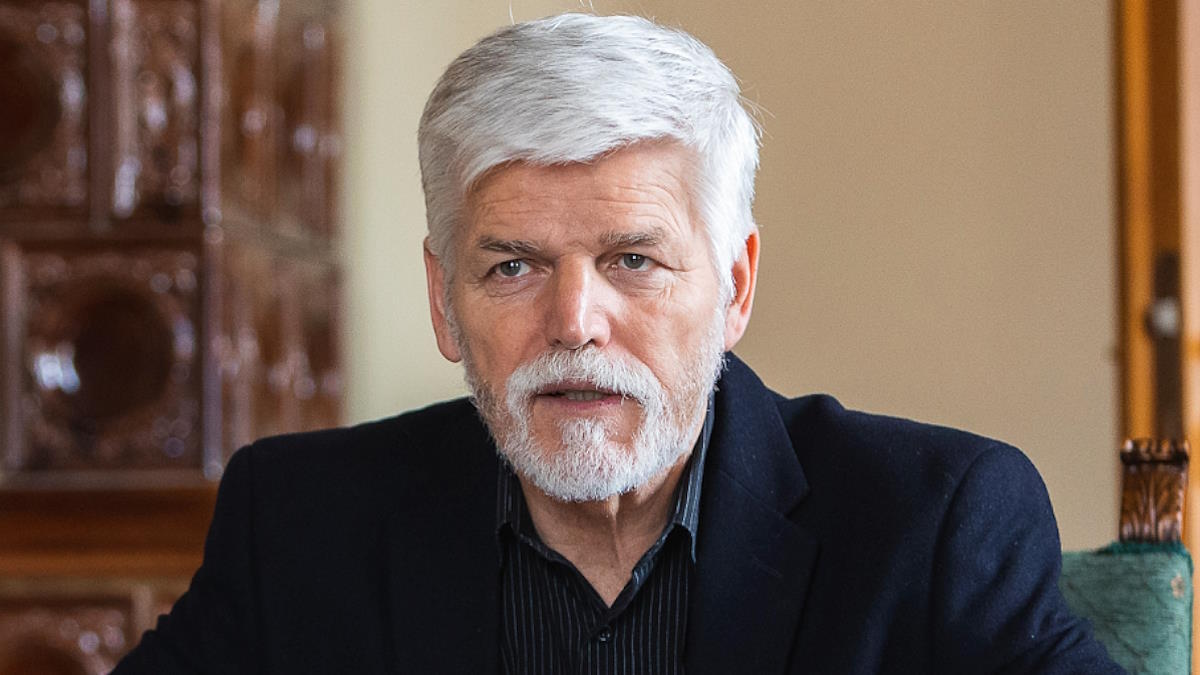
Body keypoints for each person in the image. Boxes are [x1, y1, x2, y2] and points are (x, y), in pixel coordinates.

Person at [115, 13, 1124, 674]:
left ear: (734, 287)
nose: (575, 322)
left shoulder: (934, 526)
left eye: (633, 260)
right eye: (513, 265)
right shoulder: (299, 525)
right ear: (443, 299)